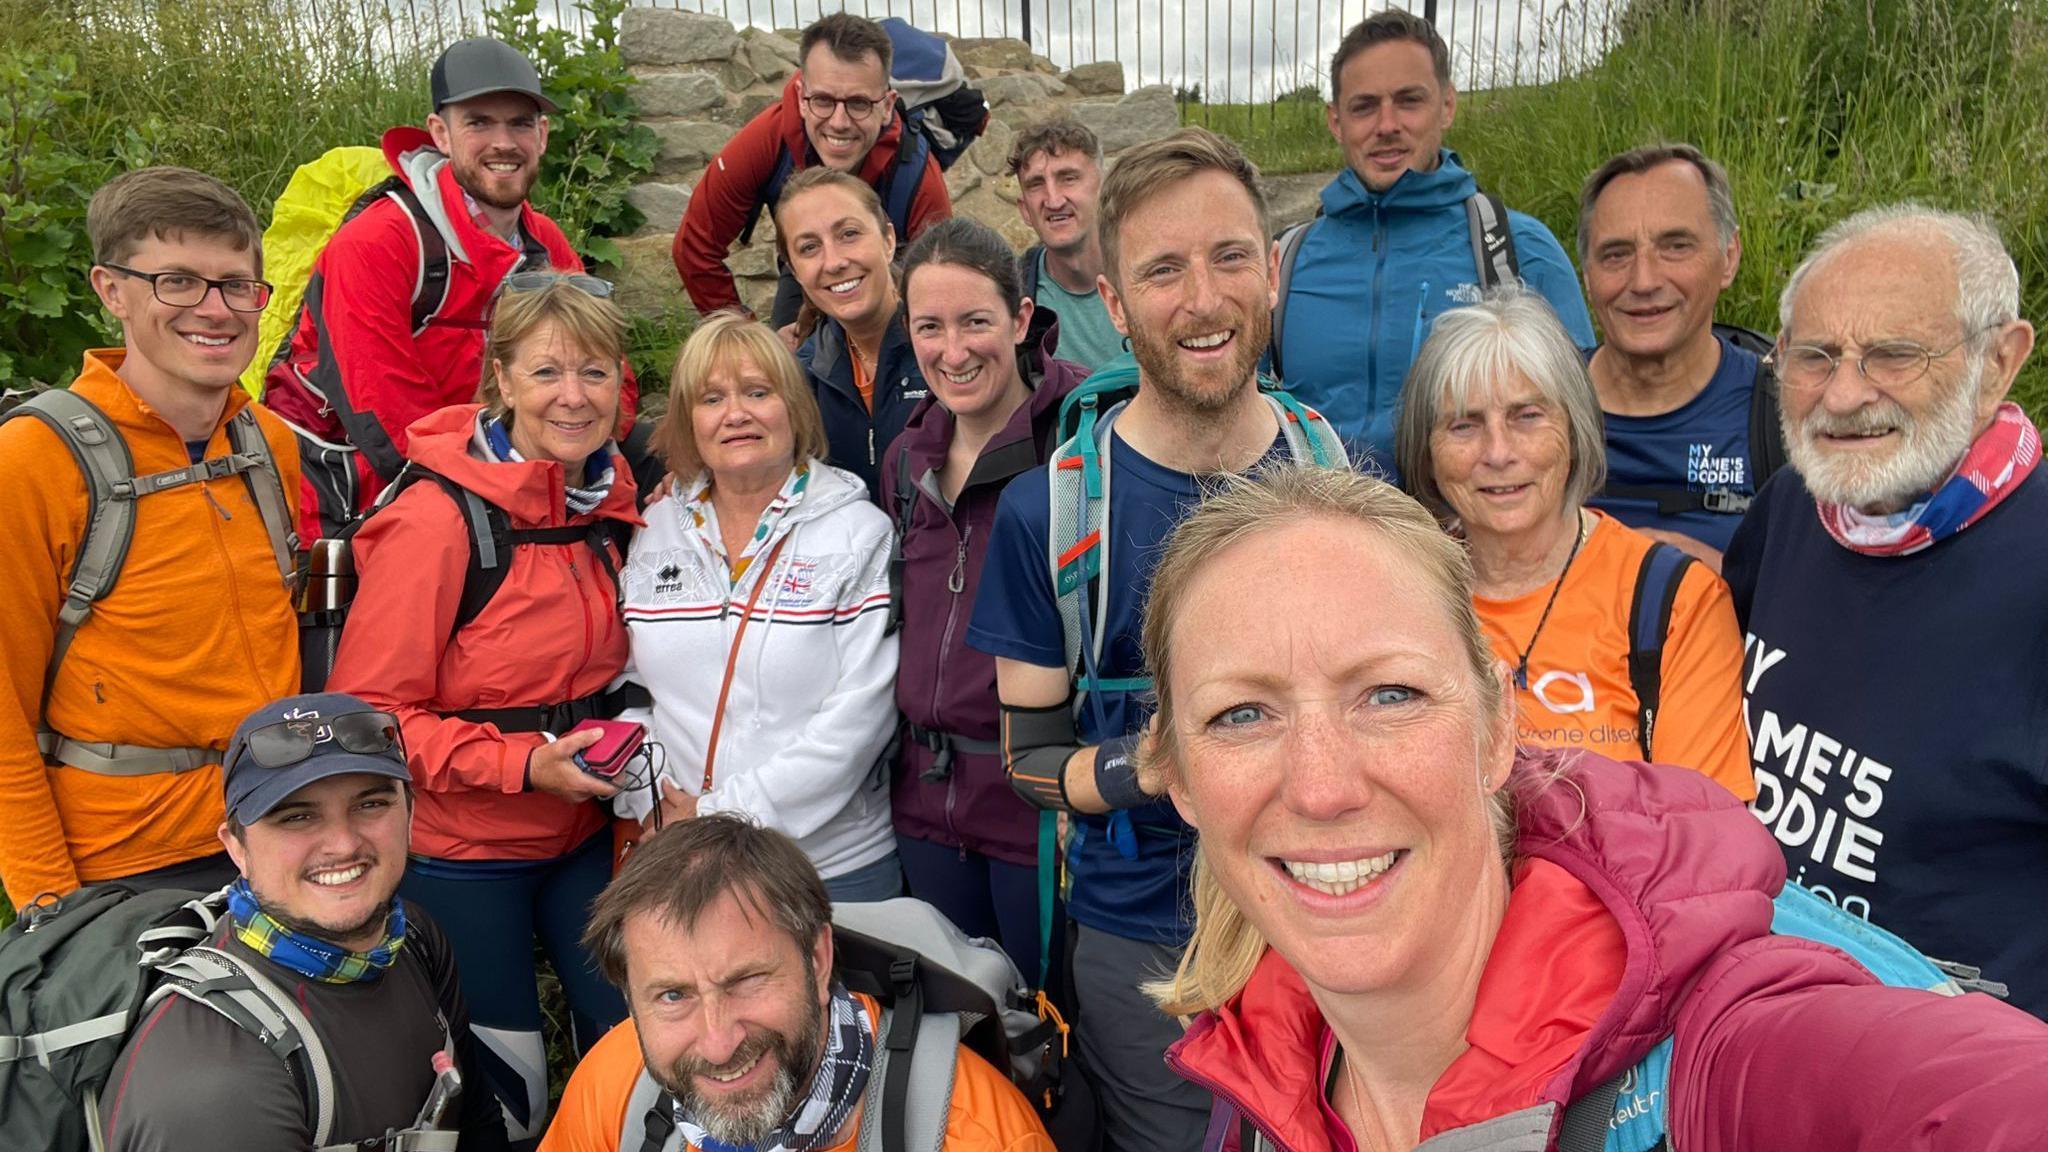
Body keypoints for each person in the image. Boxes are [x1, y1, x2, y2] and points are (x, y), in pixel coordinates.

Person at [1134, 466, 2048, 1152]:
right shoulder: (1260, 1052)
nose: (1322, 786)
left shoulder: (1718, 1057)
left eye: (1391, 695)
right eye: (1241, 714)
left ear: (1498, 728)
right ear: (1176, 774)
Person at [968, 127, 1347, 1152]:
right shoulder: (1046, 513)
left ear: (1270, 273)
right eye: (1162, 270)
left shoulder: (1337, 473)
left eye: (1228, 256)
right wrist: (1152, 764)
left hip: (1333, 912)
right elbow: (1028, 758)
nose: (1203, 298)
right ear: (1117, 303)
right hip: (1147, 949)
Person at [327, 273, 640, 1142]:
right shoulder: (439, 519)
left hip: (584, 838)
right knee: (508, 1092)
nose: (573, 397)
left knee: (641, 1049)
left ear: (621, 383)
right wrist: (526, 764)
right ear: (500, 379)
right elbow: (372, 715)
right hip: (465, 852)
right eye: (546, 373)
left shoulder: (609, 502)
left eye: (594, 372)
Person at [1724, 204, 2048, 1019]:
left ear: (1999, 362)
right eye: (1815, 356)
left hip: (1955, 1074)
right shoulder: (1795, 503)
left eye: (1892, 355)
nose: (1842, 395)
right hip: (1767, 1010)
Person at [0, 167, 301, 910]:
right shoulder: (34, 460)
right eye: (177, 282)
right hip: (124, 864)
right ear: (111, 290)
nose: (215, 309)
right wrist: (49, 909)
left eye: (236, 284)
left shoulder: (269, 444)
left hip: (278, 832)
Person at [96, 692, 508, 1152]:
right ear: (236, 847)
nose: (342, 844)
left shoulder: (411, 936)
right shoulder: (213, 1091)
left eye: (370, 805)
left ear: (410, 814)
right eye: (297, 817)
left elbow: (475, 1119)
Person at [264, 36, 635, 539]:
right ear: (440, 133)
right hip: (357, 481)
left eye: (520, 123)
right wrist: (502, 494)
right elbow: (385, 412)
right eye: (479, 122)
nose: (503, 142)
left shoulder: (542, 241)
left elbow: (607, 368)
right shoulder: (380, 241)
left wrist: (592, 457)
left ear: (542, 136)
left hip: (490, 459)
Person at [1393, 285, 1752, 795]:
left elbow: (1701, 836)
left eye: (1527, 416)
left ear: (1576, 430)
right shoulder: (1400, 592)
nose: (1498, 452)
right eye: (1464, 425)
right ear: (1426, 450)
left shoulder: (1676, 603)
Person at [539, 814, 1054, 1152]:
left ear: (818, 958)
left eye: (747, 980)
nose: (718, 1045)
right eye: (674, 995)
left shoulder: (978, 1137)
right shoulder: (616, 1087)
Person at [615, 313, 900, 903]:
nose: (735, 413)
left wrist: (719, 814)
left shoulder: (858, 533)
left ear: (793, 408)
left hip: (829, 864)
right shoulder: (655, 529)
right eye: (712, 398)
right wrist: (652, 800)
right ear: (689, 423)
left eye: (757, 392)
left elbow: (861, 718)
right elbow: (629, 687)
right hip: (683, 854)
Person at [884, 218, 1091, 985]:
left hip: (1039, 808)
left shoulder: (1080, 438)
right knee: (959, 1030)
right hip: (926, 806)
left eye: (976, 321)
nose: (954, 349)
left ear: (1021, 317)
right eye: (929, 326)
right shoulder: (909, 457)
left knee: (1055, 1025)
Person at [1270, 10, 1593, 470]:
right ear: (1336, 121)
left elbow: (1580, 426)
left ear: (1447, 106)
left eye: (1409, 101)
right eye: (1364, 106)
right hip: (1318, 532)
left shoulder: (1517, 250)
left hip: (1468, 536)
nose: (1387, 124)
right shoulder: (1286, 261)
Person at [1580, 143, 1787, 570]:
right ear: (1587, 275)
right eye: (1616, 254)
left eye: (1675, 246)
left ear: (1729, 258)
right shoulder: (1531, 407)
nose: (1644, 280)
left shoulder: (1785, 413)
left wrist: (1723, 584)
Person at [673, 12, 951, 326]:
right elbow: (696, 246)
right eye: (822, 100)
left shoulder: (915, 172)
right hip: (806, 276)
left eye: (859, 103)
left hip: (893, 277)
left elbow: (943, 280)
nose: (839, 122)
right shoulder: (767, 141)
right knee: (788, 368)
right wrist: (751, 338)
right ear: (801, 99)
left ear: (887, 106)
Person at [780, 167, 929, 500]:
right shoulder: (802, 378)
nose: (833, 262)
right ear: (795, 271)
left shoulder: (946, 348)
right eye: (809, 248)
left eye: (848, 234)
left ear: (888, 240)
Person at [1010, 116, 1123, 372]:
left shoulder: (1150, 278)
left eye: (1068, 178)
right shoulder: (1012, 297)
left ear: (1104, 191)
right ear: (1025, 210)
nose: (1053, 200)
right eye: (1036, 184)